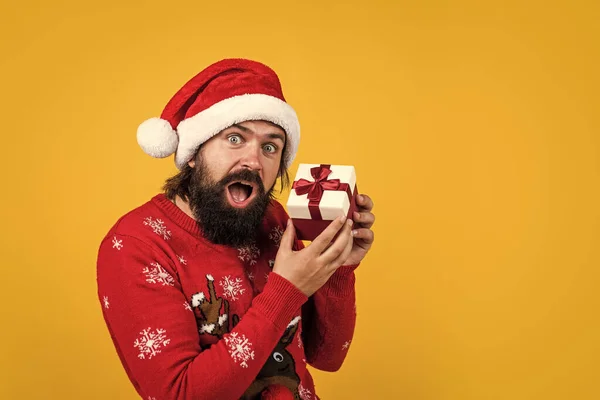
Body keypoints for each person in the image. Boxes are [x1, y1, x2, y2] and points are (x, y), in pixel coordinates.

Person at [96, 58, 375, 400]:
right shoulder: (135, 245)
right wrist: (286, 290)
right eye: (234, 138)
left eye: (270, 147)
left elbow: (327, 356)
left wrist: (338, 266)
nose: (254, 161)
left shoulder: (275, 221)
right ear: (194, 153)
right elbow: (180, 394)